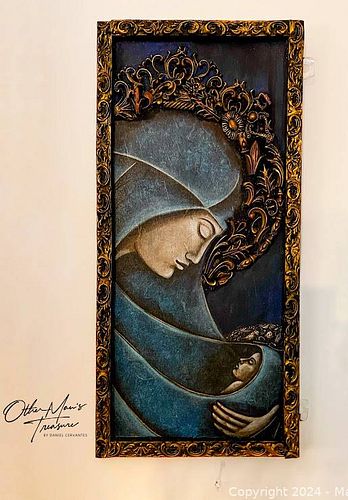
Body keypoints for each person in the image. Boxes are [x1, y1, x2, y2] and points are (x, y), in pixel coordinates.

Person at [112, 109, 282, 439]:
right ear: (164, 199)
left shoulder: (162, 302)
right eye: (203, 231)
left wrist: (269, 412)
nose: (196, 257)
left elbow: (216, 367)